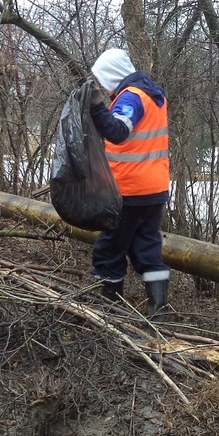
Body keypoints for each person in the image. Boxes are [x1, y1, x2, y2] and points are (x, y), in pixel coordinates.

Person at [86, 48, 172, 320]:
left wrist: (97, 106)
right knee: (147, 248)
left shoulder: (131, 97)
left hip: (129, 190)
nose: (102, 85)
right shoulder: (153, 95)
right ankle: (159, 313)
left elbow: (118, 131)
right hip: (154, 189)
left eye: (102, 79)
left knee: (109, 250)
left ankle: (110, 314)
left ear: (111, 75)